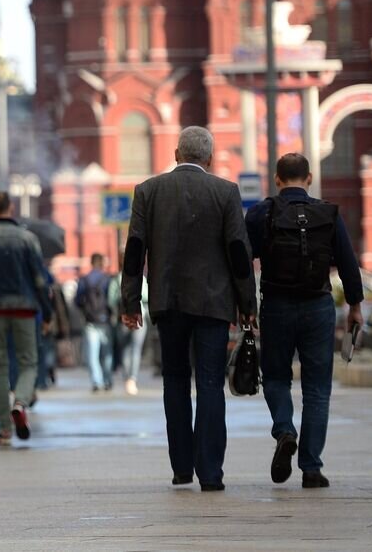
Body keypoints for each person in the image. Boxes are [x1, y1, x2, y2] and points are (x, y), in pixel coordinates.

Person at [121, 126, 256, 492]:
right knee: (210, 383)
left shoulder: (148, 191)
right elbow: (239, 253)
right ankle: (210, 473)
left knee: (175, 381)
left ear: (177, 153)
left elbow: (135, 249)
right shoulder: (225, 192)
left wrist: (130, 301)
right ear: (209, 159)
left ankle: (182, 467)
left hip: (168, 302)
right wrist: (248, 304)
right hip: (214, 304)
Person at [245, 153, 364, 488]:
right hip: (318, 307)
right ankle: (311, 467)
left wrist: (244, 306)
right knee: (316, 389)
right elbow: (348, 263)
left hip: (277, 306)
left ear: (277, 179)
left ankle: (285, 430)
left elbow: (241, 260)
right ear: (309, 178)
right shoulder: (328, 213)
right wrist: (355, 306)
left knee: (276, 378)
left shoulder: (261, 213)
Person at [0, 192, 53, 446]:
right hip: (26, 308)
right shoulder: (28, 239)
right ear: (11, 208)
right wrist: (46, 312)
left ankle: (4, 430)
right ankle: (21, 402)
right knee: (28, 363)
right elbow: (39, 279)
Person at [109, 250, 149, 396]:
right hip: (140, 315)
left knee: (125, 349)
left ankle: (127, 378)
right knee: (136, 348)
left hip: (122, 317)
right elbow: (146, 296)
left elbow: (111, 299)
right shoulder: (141, 279)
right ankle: (132, 379)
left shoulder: (116, 279)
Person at [76, 253, 114, 393]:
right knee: (107, 353)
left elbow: (78, 300)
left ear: (91, 263)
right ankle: (108, 379)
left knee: (92, 354)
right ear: (102, 263)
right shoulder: (107, 279)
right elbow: (113, 298)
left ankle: (96, 381)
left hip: (90, 321)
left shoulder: (84, 280)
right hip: (105, 320)